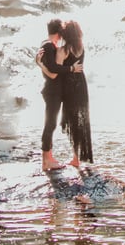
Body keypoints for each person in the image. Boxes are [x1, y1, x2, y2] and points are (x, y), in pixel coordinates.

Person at [37, 19, 92, 169]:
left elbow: (55, 72)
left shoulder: (63, 50)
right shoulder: (81, 48)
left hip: (68, 88)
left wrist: (40, 64)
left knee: (65, 121)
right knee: (78, 121)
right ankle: (76, 158)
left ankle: (52, 159)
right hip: (81, 85)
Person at [37, 18, 69, 171]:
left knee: (51, 123)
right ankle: (46, 160)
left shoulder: (51, 45)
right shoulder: (48, 46)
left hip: (54, 90)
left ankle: (49, 157)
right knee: (50, 124)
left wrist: (40, 64)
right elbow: (53, 71)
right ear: (59, 32)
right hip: (52, 91)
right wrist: (70, 69)